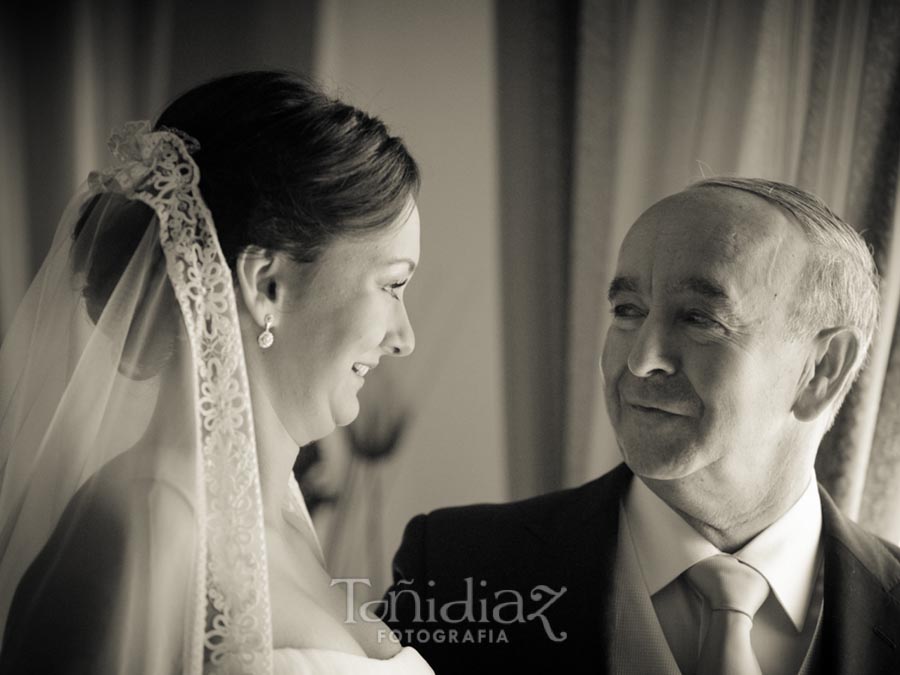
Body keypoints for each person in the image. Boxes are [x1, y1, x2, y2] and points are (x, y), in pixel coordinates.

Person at [0, 70, 433, 674]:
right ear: (266, 285)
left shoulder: (278, 514)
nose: (404, 340)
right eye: (392, 285)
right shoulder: (143, 527)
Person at [383, 177, 900, 674]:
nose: (640, 361)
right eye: (628, 310)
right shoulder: (457, 572)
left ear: (823, 370)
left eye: (699, 318)